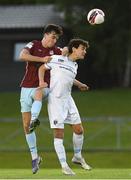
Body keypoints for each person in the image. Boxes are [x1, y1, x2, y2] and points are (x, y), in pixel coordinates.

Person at [36, 38, 91, 175]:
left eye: (85, 50)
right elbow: (42, 67)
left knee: (79, 130)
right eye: (82, 49)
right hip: (56, 101)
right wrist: (42, 82)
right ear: (74, 49)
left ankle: (77, 156)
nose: (84, 52)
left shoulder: (75, 66)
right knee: (59, 134)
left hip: (68, 100)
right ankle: (64, 166)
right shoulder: (57, 59)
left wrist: (80, 84)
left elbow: (69, 79)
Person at [19, 24, 64, 174]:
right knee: (26, 126)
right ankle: (35, 157)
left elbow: (65, 54)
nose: (54, 40)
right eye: (53, 37)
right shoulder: (33, 44)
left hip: (44, 86)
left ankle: (35, 117)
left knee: (39, 92)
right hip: (26, 86)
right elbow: (22, 56)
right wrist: (41, 58)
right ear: (45, 35)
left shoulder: (56, 51)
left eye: (57, 38)